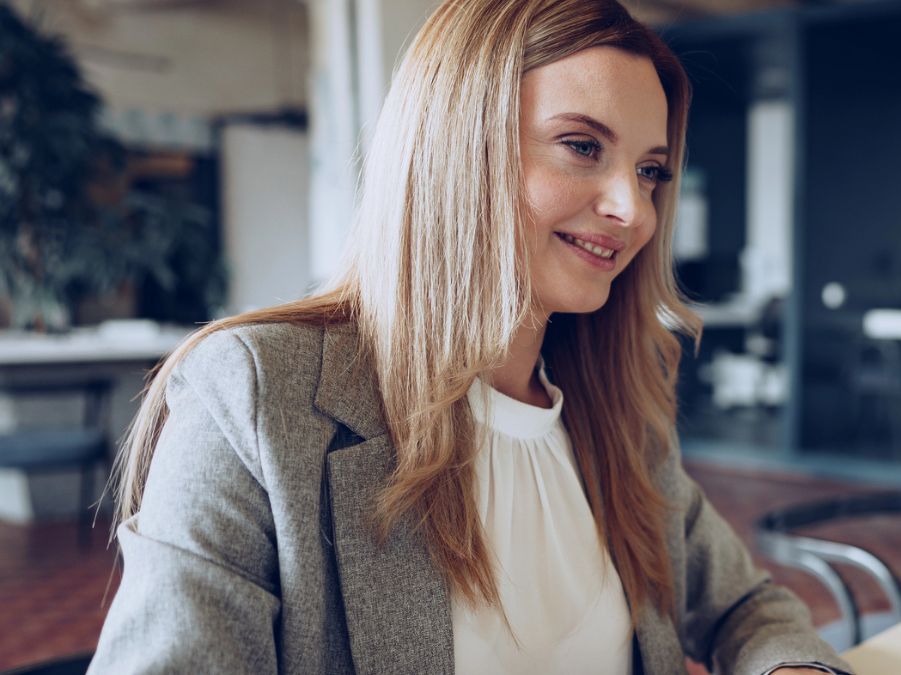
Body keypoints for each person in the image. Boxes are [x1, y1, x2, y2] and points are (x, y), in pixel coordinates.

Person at [89, 1, 853, 673]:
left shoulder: (613, 409)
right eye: (583, 146)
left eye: (651, 169)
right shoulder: (257, 395)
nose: (636, 209)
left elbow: (746, 605)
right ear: (460, 148)